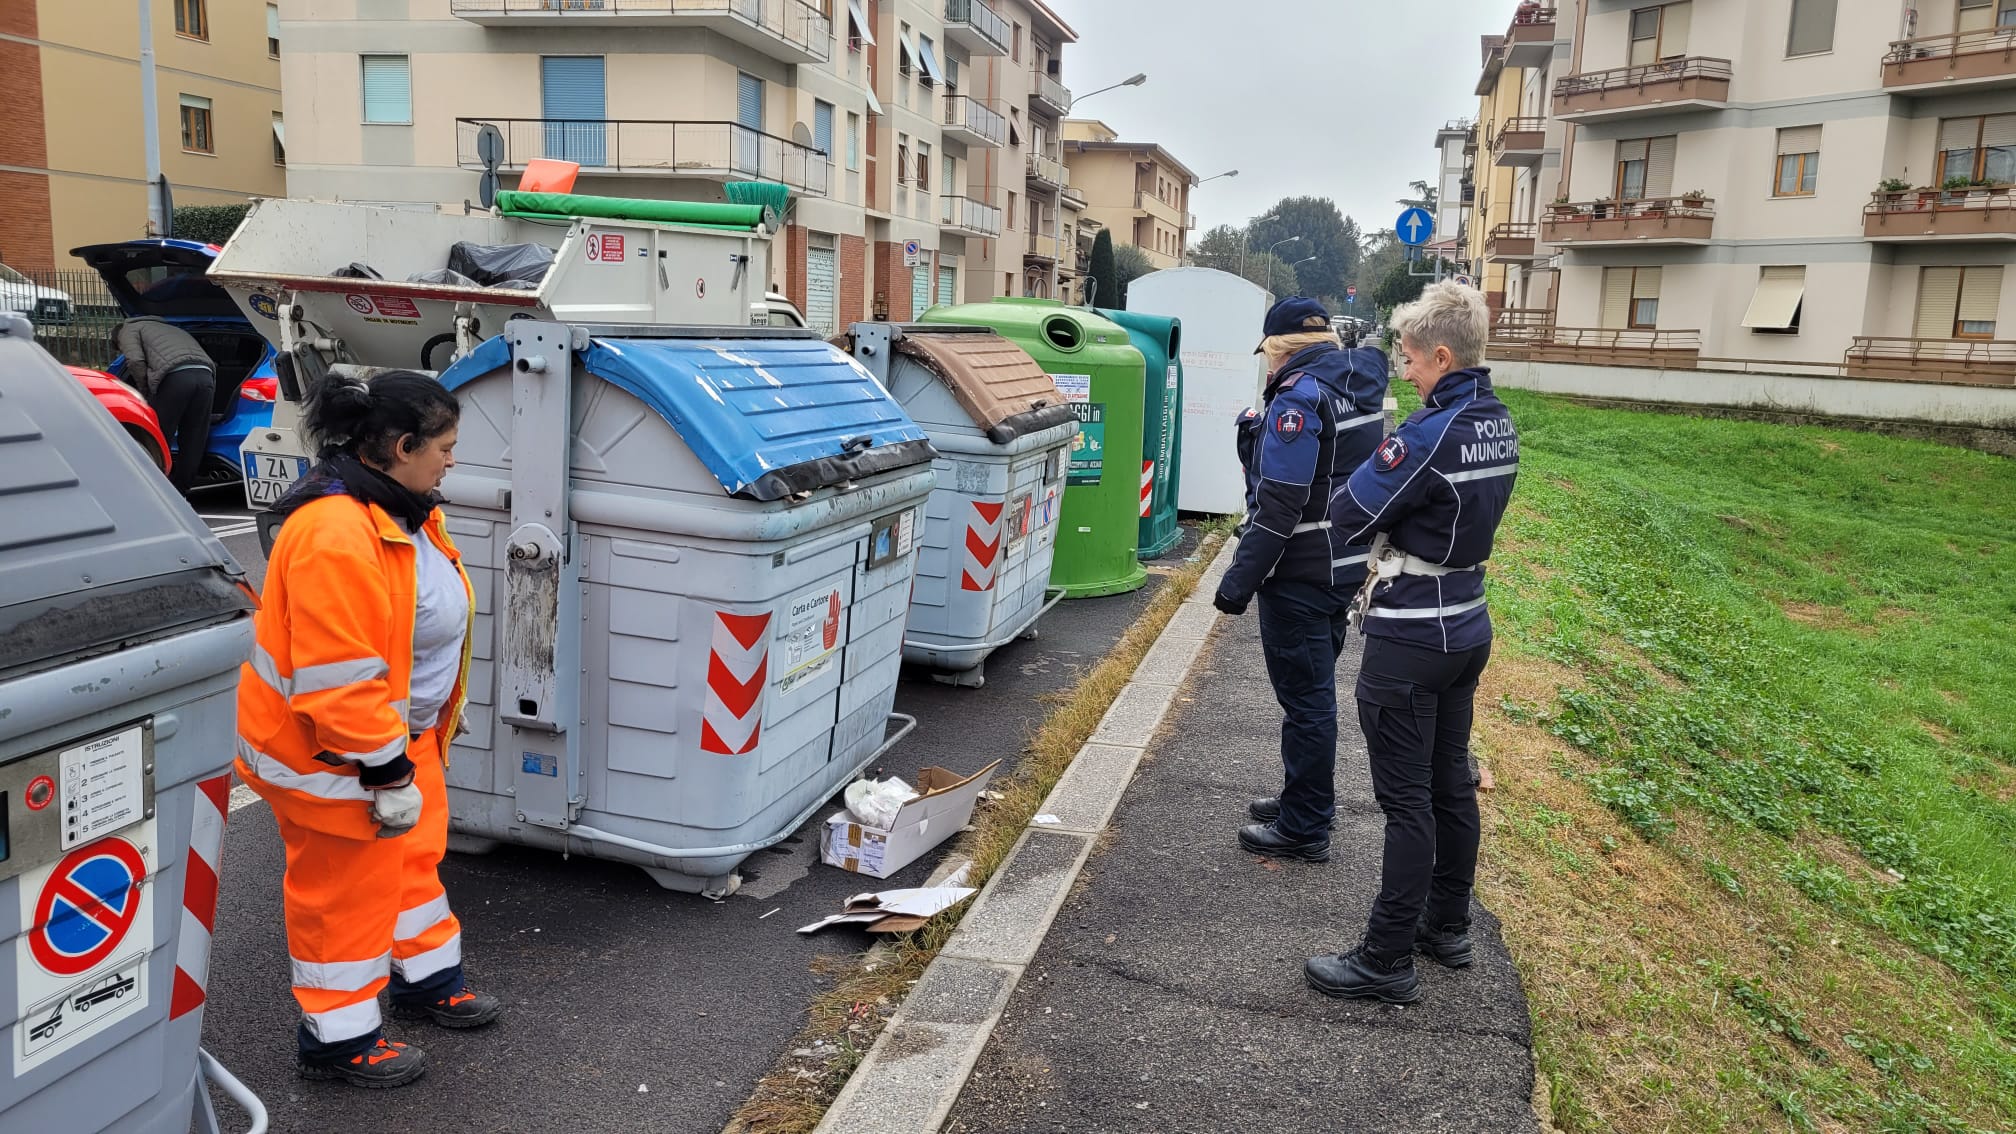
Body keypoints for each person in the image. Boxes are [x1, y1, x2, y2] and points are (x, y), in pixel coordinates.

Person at [235, 370, 500, 1087]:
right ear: (402, 446)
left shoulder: (400, 506)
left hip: (392, 738)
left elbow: (412, 628)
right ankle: (337, 1037)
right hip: (333, 754)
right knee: (341, 893)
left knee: (412, 861)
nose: (452, 459)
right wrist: (384, 771)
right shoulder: (335, 534)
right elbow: (338, 679)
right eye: (445, 446)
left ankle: (425, 978)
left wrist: (428, 718)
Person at [1303, 281, 1518, 1004]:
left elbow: (1349, 511)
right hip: (1467, 621)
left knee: (1407, 803)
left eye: (1411, 357)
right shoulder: (1499, 421)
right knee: (1451, 782)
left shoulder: (1429, 435)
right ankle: (1445, 926)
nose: (1403, 369)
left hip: (1410, 635)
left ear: (1445, 355)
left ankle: (1385, 958)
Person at [1213, 297, 1390, 863]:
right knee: (1312, 693)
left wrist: (1237, 584)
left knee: (1307, 701)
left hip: (1301, 572)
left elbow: (1279, 506)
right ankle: (1303, 798)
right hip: (1344, 564)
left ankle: (1305, 824)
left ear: (1280, 349)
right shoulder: (1356, 383)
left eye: (1266, 352)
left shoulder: (1299, 399)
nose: (1265, 364)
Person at [114, 315, 215, 496]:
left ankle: (155, 488)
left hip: (174, 378)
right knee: (194, 437)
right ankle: (181, 491)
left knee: (158, 435)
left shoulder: (127, 329)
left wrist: (145, 390)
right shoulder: (173, 328)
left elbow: (135, 361)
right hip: (206, 376)